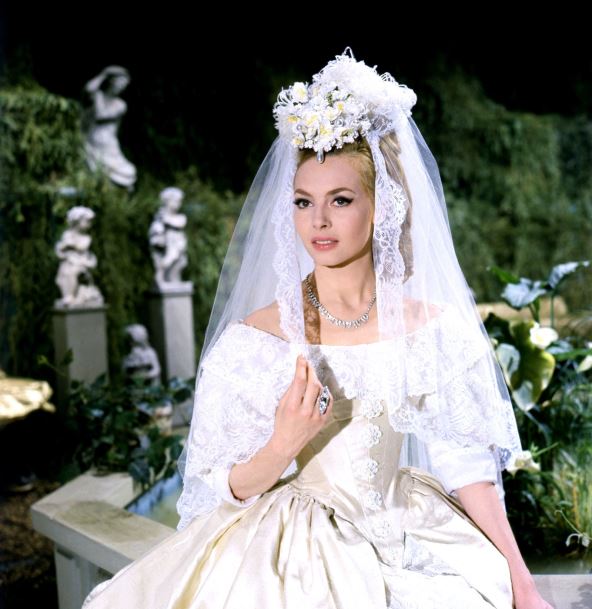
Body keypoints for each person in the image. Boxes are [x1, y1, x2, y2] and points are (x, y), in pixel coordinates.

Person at [81, 49, 554, 608]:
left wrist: (524, 587)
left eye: (341, 200)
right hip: (291, 552)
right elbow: (214, 487)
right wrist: (283, 443)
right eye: (303, 201)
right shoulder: (258, 342)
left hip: (408, 531)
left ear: (383, 207)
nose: (318, 221)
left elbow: (470, 473)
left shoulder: (431, 331)